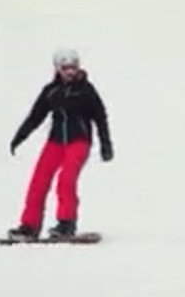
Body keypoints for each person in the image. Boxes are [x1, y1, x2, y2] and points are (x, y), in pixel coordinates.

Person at [7, 48, 112, 240]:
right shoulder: (51, 91)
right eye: (65, 68)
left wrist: (106, 144)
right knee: (38, 181)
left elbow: (100, 116)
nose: (70, 72)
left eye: (73, 68)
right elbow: (35, 116)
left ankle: (66, 224)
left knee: (66, 180)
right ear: (57, 69)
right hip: (55, 142)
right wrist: (19, 137)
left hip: (79, 141)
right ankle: (29, 226)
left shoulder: (86, 91)